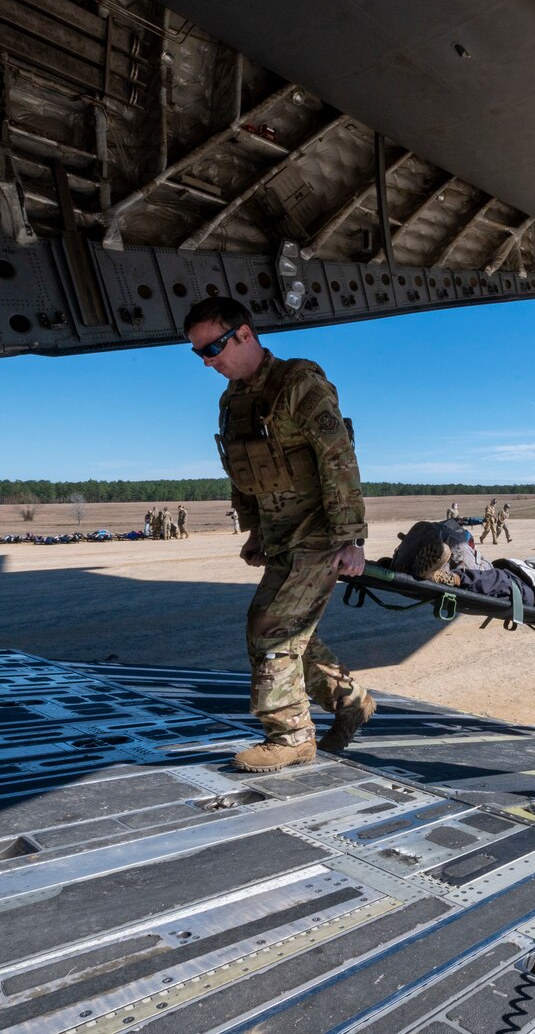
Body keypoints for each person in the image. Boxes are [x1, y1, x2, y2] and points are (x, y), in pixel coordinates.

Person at [184, 295, 377, 773]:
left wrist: (351, 538)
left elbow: (339, 460)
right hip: (280, 537)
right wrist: (253, 531)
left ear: (245, 334)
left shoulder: (299, 385)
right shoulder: (232, 400)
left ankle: (290, 734)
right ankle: (351, 701)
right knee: (295, 636)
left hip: (320, 534)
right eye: (199, 354)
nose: (209, 362)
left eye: (214, 348)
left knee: (268, 628)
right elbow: (241, 471)